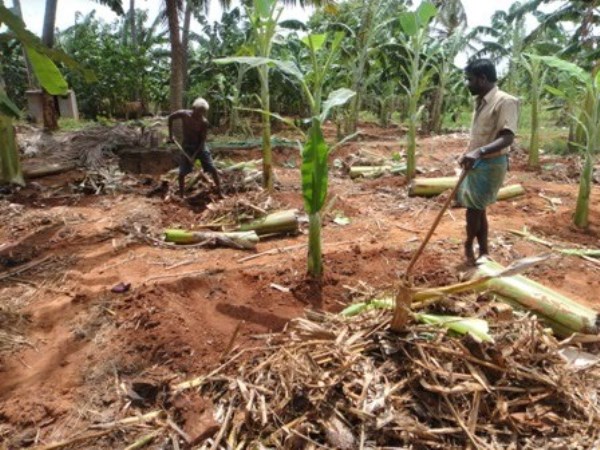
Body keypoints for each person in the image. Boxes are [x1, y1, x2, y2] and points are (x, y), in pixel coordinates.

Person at [457, 59, 519, 266]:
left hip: (491, 163)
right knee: (479, 208)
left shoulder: (505, 101)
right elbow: (480, 135)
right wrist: (469, 153)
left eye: (470, 79)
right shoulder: (481, 101)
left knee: (473, 209)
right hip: (476, 161)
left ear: (482, 79)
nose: (468, 84)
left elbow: (507, 137)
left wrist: (479, 152)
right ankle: (483, 250)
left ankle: (468, 246)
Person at [167, 97, 222, 198]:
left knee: (213, 169)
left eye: (203, 112)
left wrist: (195, 155)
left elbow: (202, 141)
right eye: (199, 111)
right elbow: (170, 117)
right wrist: (171, 135)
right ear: (193, 108)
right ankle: (182, 195)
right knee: (182, 173)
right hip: (187, 146)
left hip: (200, 147)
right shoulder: (184, 114)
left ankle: (219, 193)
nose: (200, 114)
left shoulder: (204, 122)